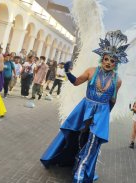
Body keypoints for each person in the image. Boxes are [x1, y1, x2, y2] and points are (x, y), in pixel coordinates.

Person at [40, 30, 129, 183]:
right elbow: (76, 82)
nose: (108, 62)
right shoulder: (91, 71)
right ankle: (69, 158)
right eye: (106, 59)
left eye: (112, 61)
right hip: (86, 107)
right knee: (78, 133)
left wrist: (106, 116)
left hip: (102, 111)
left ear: (117, 63)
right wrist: (68, 72)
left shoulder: (117, 80)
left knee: (93, 139)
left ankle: (81, 170)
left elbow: (112, 99)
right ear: (102, 58)